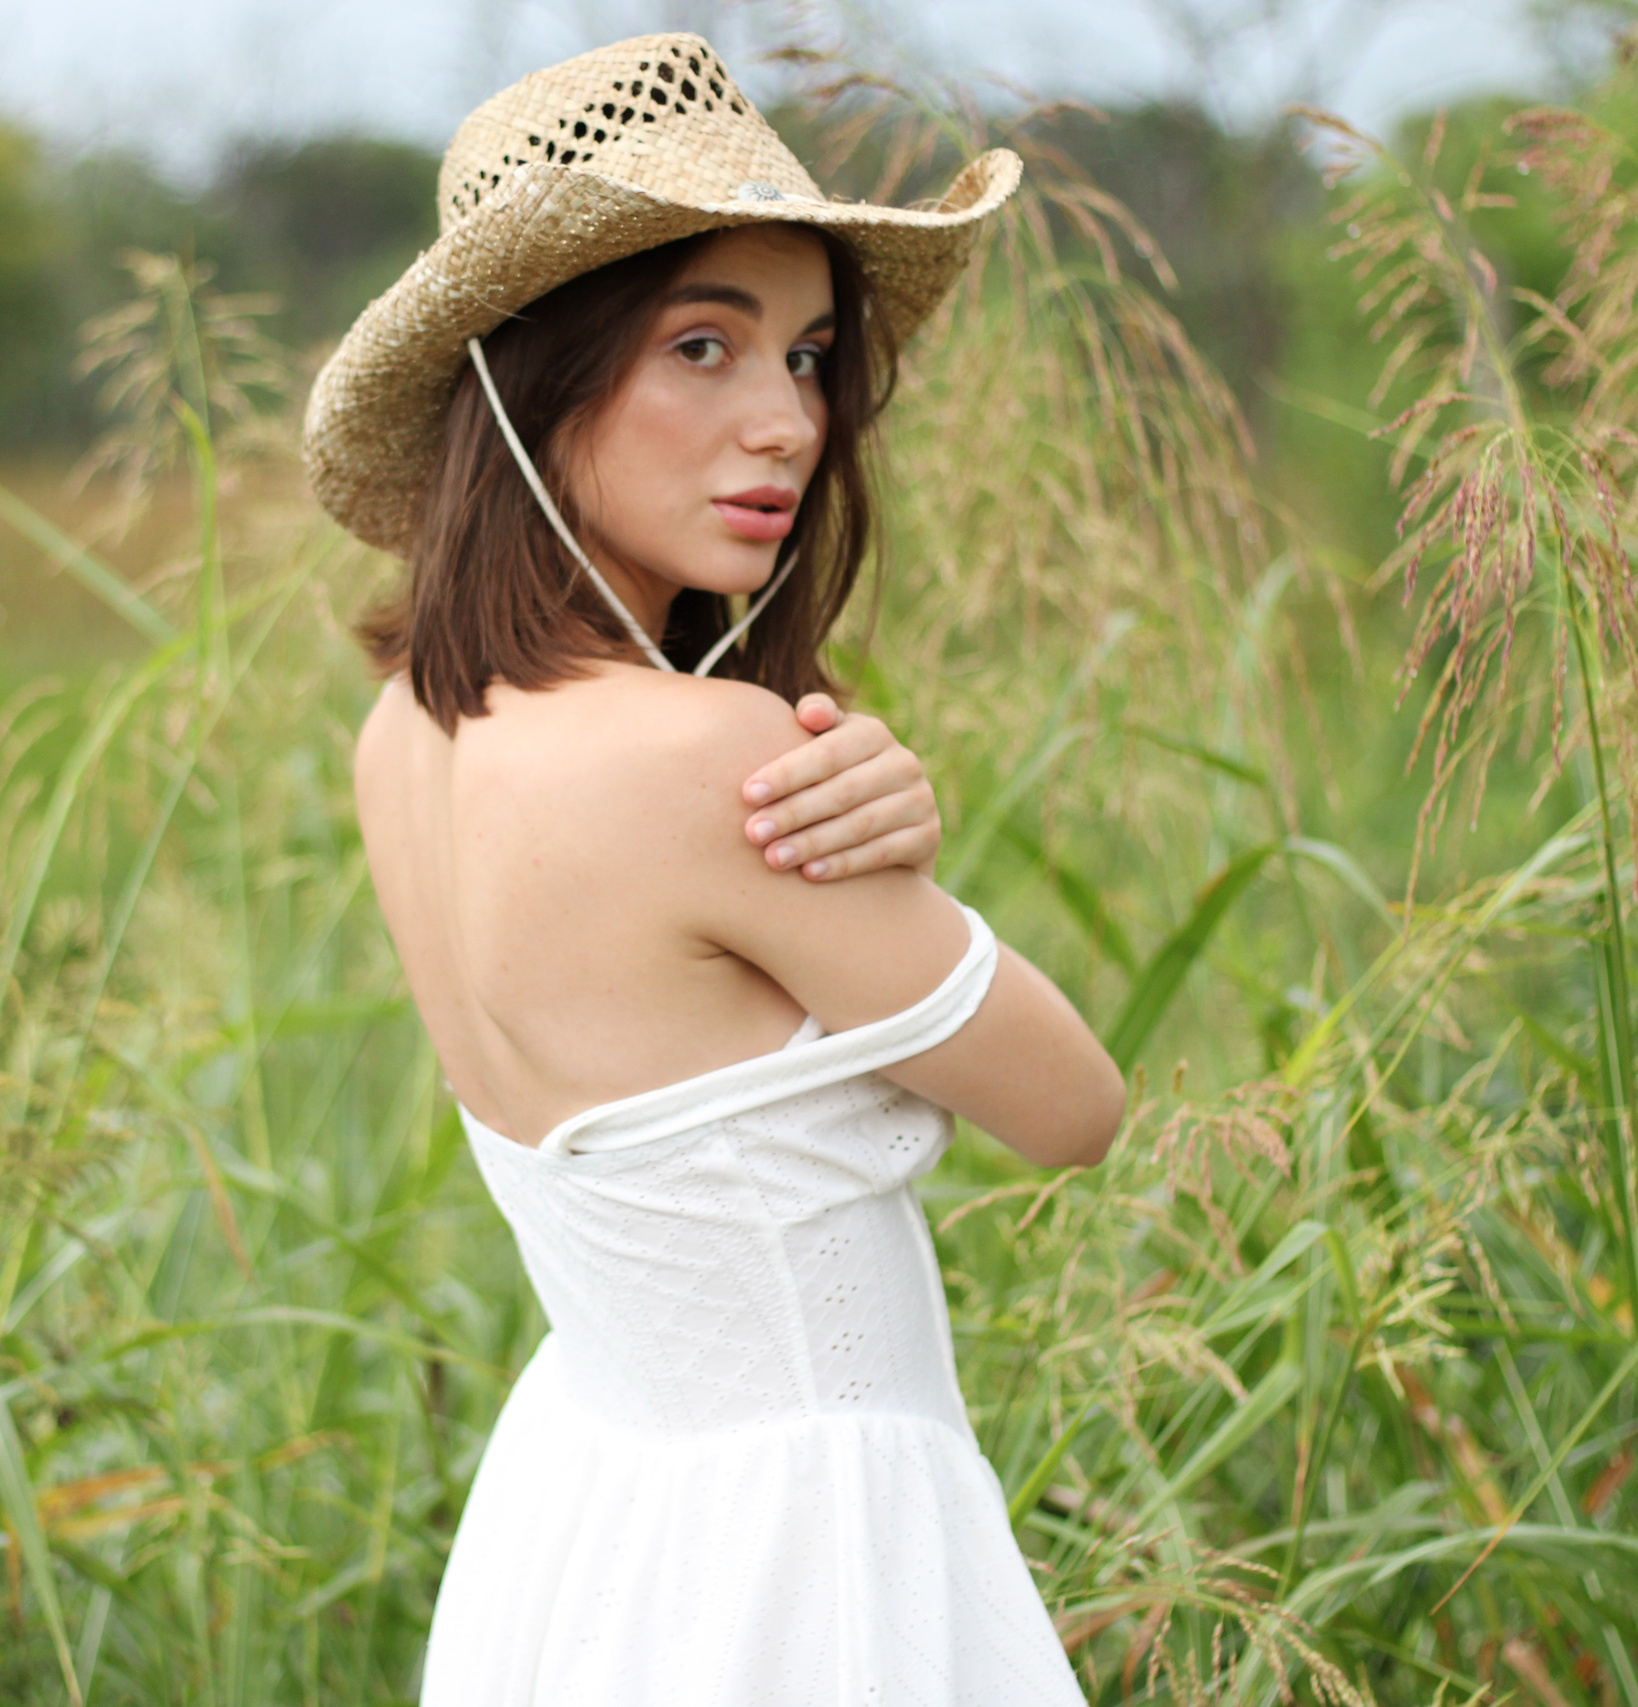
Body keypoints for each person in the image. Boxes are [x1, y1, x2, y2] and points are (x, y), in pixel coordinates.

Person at [304, 33, 1125, 1705]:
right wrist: (904, 863)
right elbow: (1074, 1108)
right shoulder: (704, 758)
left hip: (596, 1517)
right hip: (802, 1550)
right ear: (534, 379)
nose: (787, 423)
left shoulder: (407, 733)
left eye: (811, 358)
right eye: (703, 345)